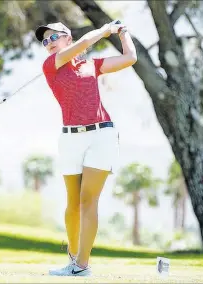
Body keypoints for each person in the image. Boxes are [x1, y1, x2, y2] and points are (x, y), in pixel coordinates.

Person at [34, 21, 137, 276]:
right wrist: (104, 30)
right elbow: (83, 44)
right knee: (73, 205)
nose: (48, 43)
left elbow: (130, 58)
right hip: (70, 139)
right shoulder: (51, 65)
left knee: (88, 199)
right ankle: (73, 255)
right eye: (44, 41)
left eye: (53, 37)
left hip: (102, 134)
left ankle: (82, 265)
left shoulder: (92, 66)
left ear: (66, 37)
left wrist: (123, 33)